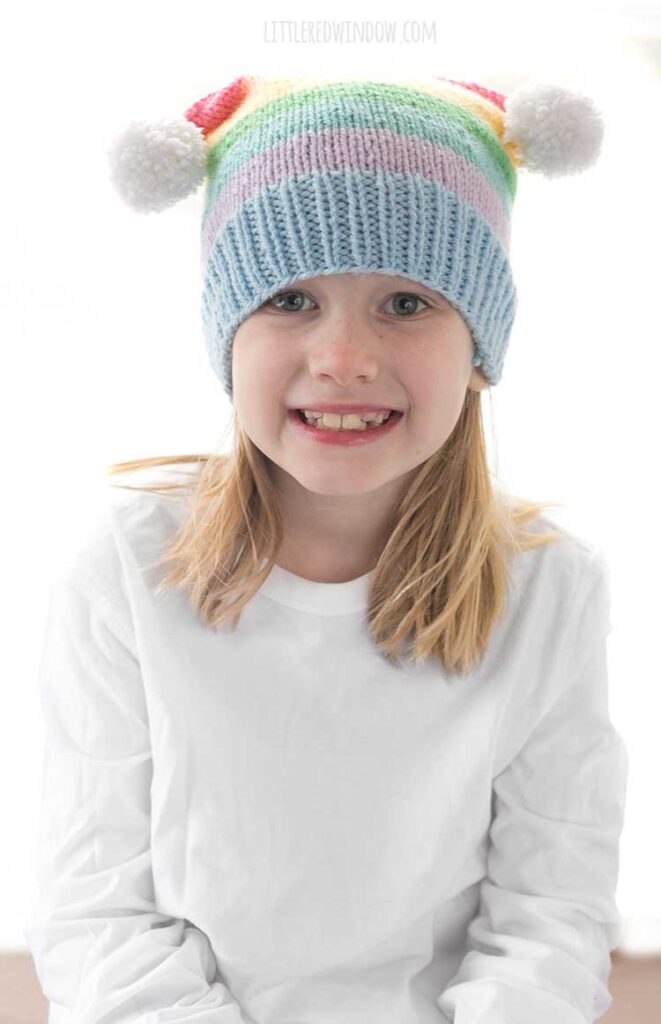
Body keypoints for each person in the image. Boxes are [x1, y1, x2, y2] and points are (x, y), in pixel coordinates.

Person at [25, 73, 629, 1024]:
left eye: (404, 303)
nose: (342, 357)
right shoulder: (126, 565)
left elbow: (548, 914)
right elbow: (97, 909)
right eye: (291, 297)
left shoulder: (549, 584)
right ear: (227, 336)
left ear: (479, 346)